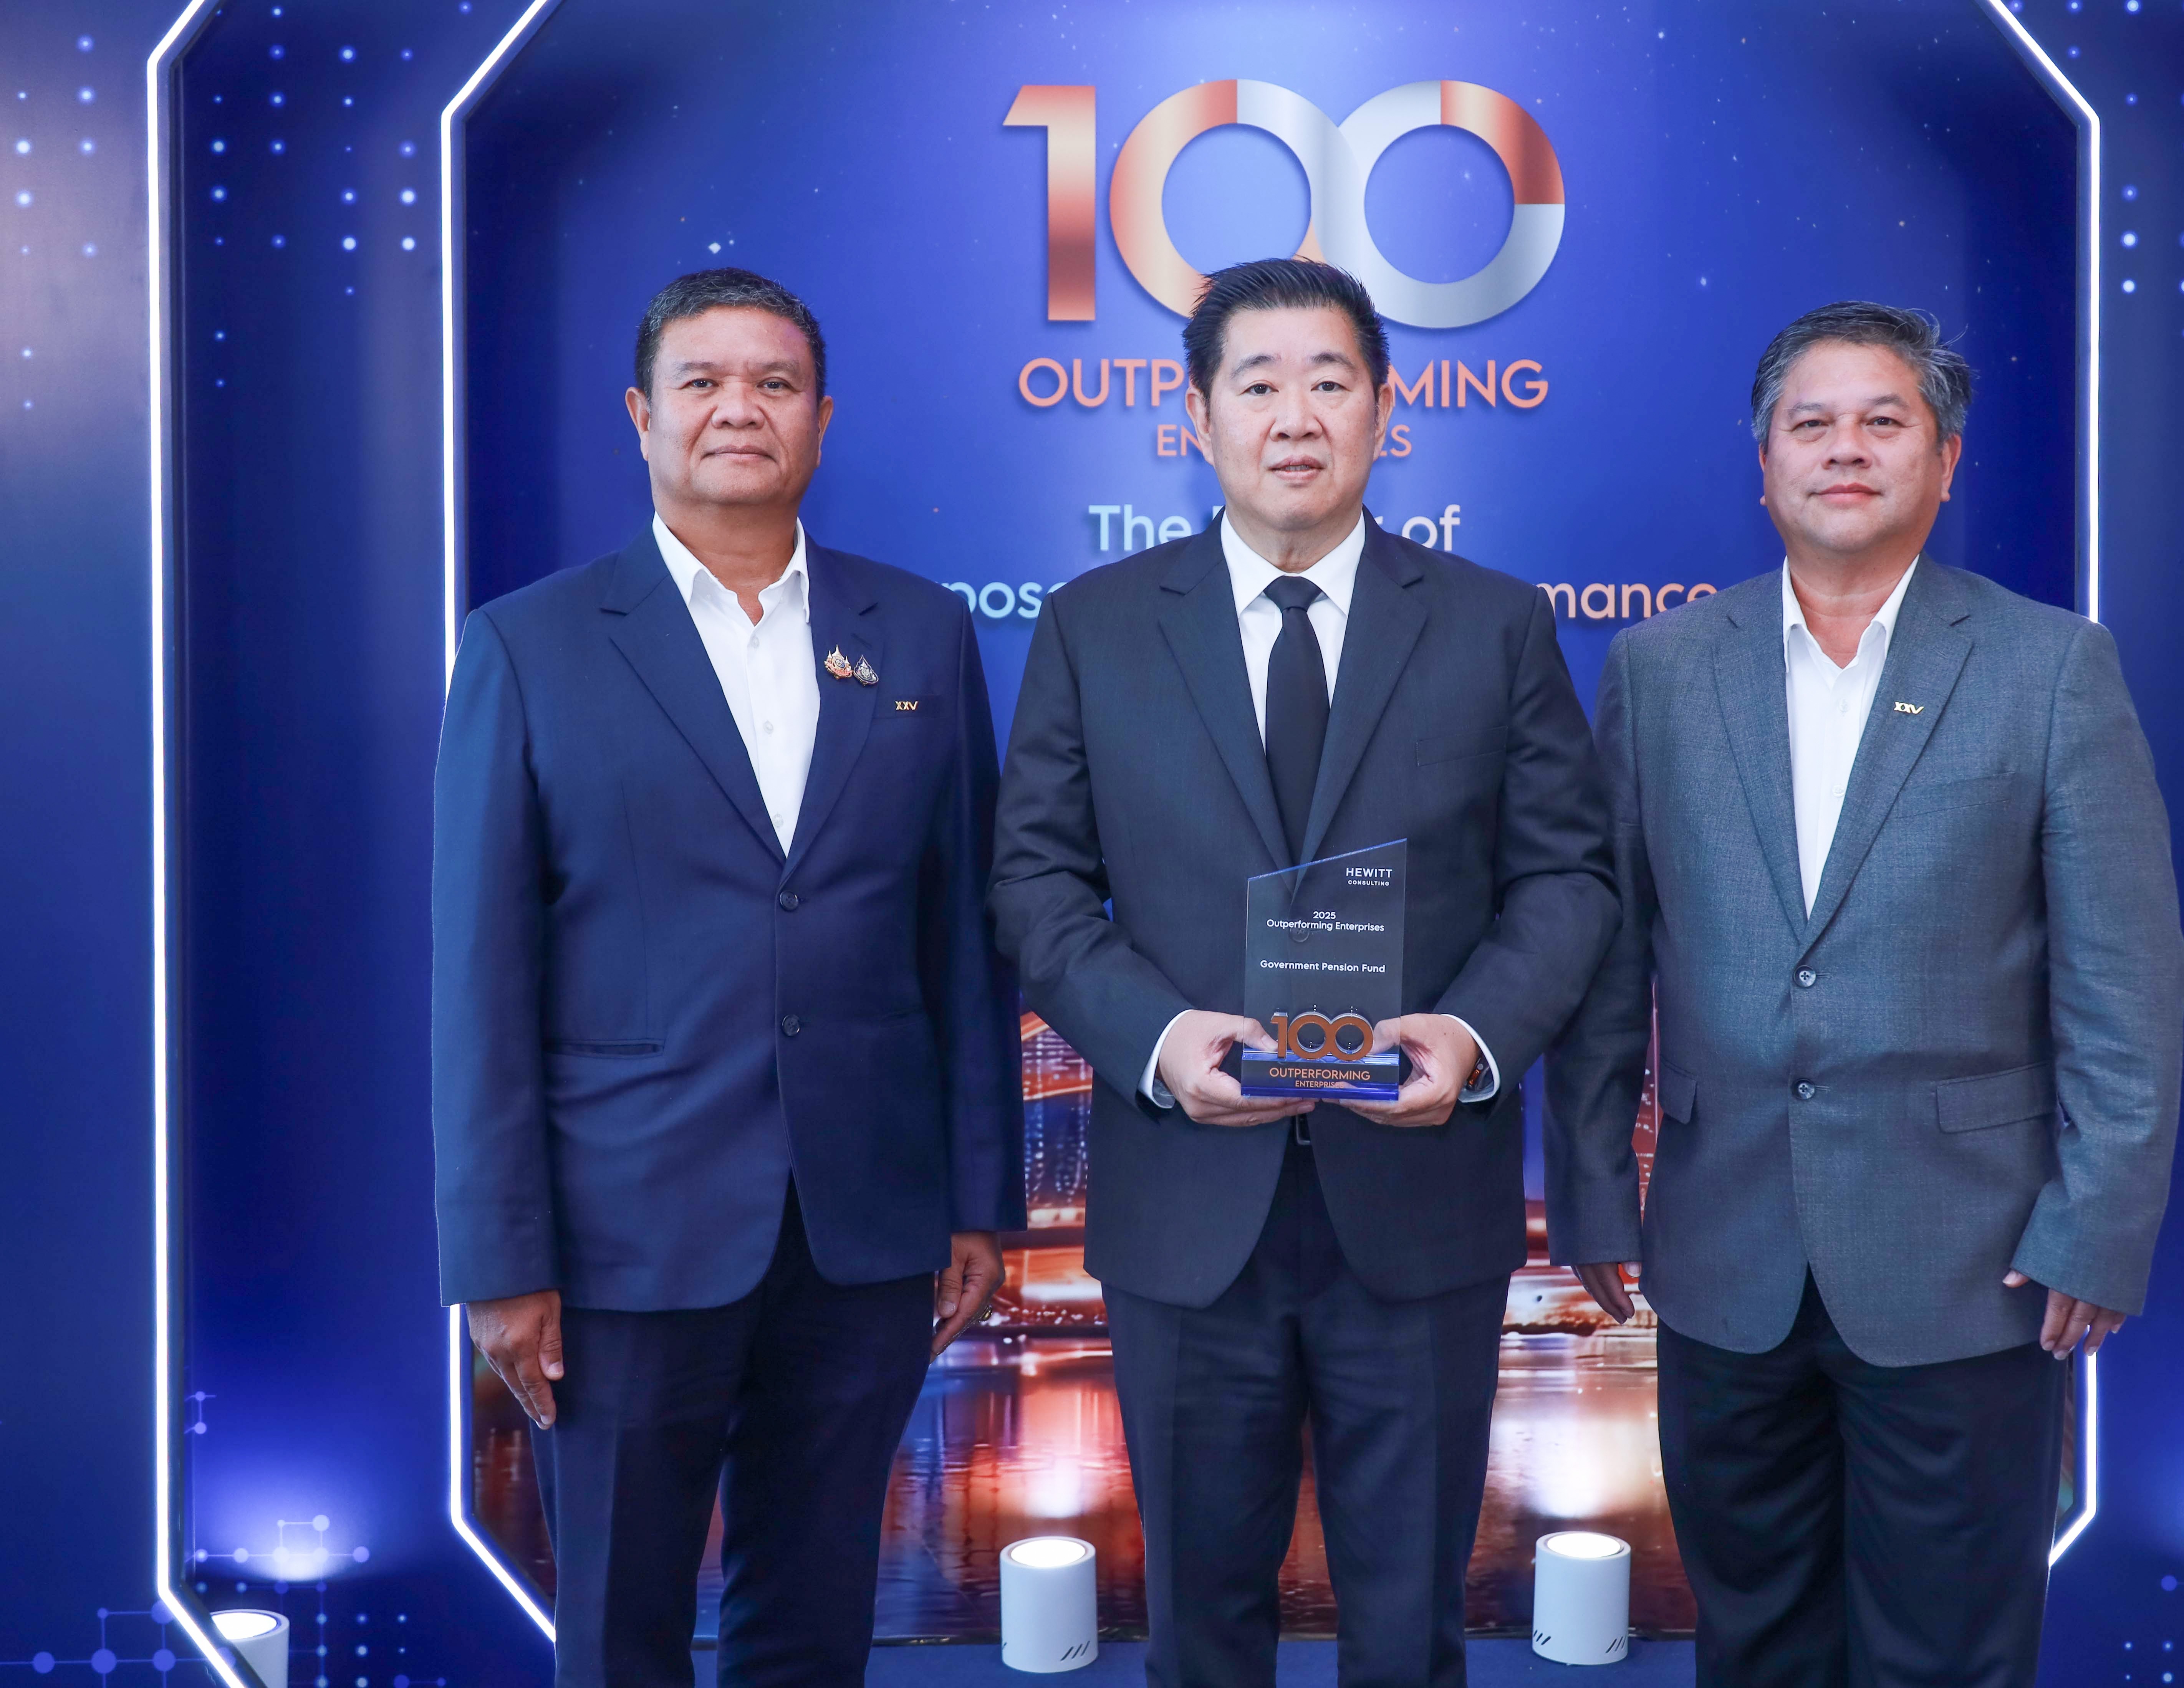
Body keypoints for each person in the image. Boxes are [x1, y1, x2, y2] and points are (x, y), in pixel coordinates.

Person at [992, 258, 1616, 1688]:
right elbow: (1031, 883)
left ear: (1385, 412)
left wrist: (1473, 1036)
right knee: (1201, 1630)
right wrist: (1157, 1038)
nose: (1294, 416)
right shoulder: (1095, 624)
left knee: (1407, 1627)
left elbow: (1567, 880)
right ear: (1196, 416)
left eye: (1329, 381)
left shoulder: (1495, 623)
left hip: (1419, 1202)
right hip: (1183, 1205)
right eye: (1258, 383)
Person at [1546, 300, 2184, 1688]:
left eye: (1882, 421)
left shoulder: (2047, 666)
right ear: (1763, 464)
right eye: (1812, 423)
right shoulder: (1661, 669)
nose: (1845, 449)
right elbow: (1607, 958)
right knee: (1755, 1640)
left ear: (1944, 459)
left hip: (1971, 1261)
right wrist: (1593, 1188)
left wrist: (2098, 1221)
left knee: (1944, 1652)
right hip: (1722, 1257)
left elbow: (2124, 976)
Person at [432, 267, 1023, 1688]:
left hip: (863, 1225)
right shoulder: (530, 643)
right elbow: (481, 975)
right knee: (621, 1629)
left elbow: (962, 931)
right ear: (643, 417)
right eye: (701, 381)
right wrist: (500, 1259)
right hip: (625, 1235)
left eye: (774, 382)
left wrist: (975, 1197)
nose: (738, 408)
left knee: (814, 1621)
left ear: (822, 418)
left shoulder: (920, 630)